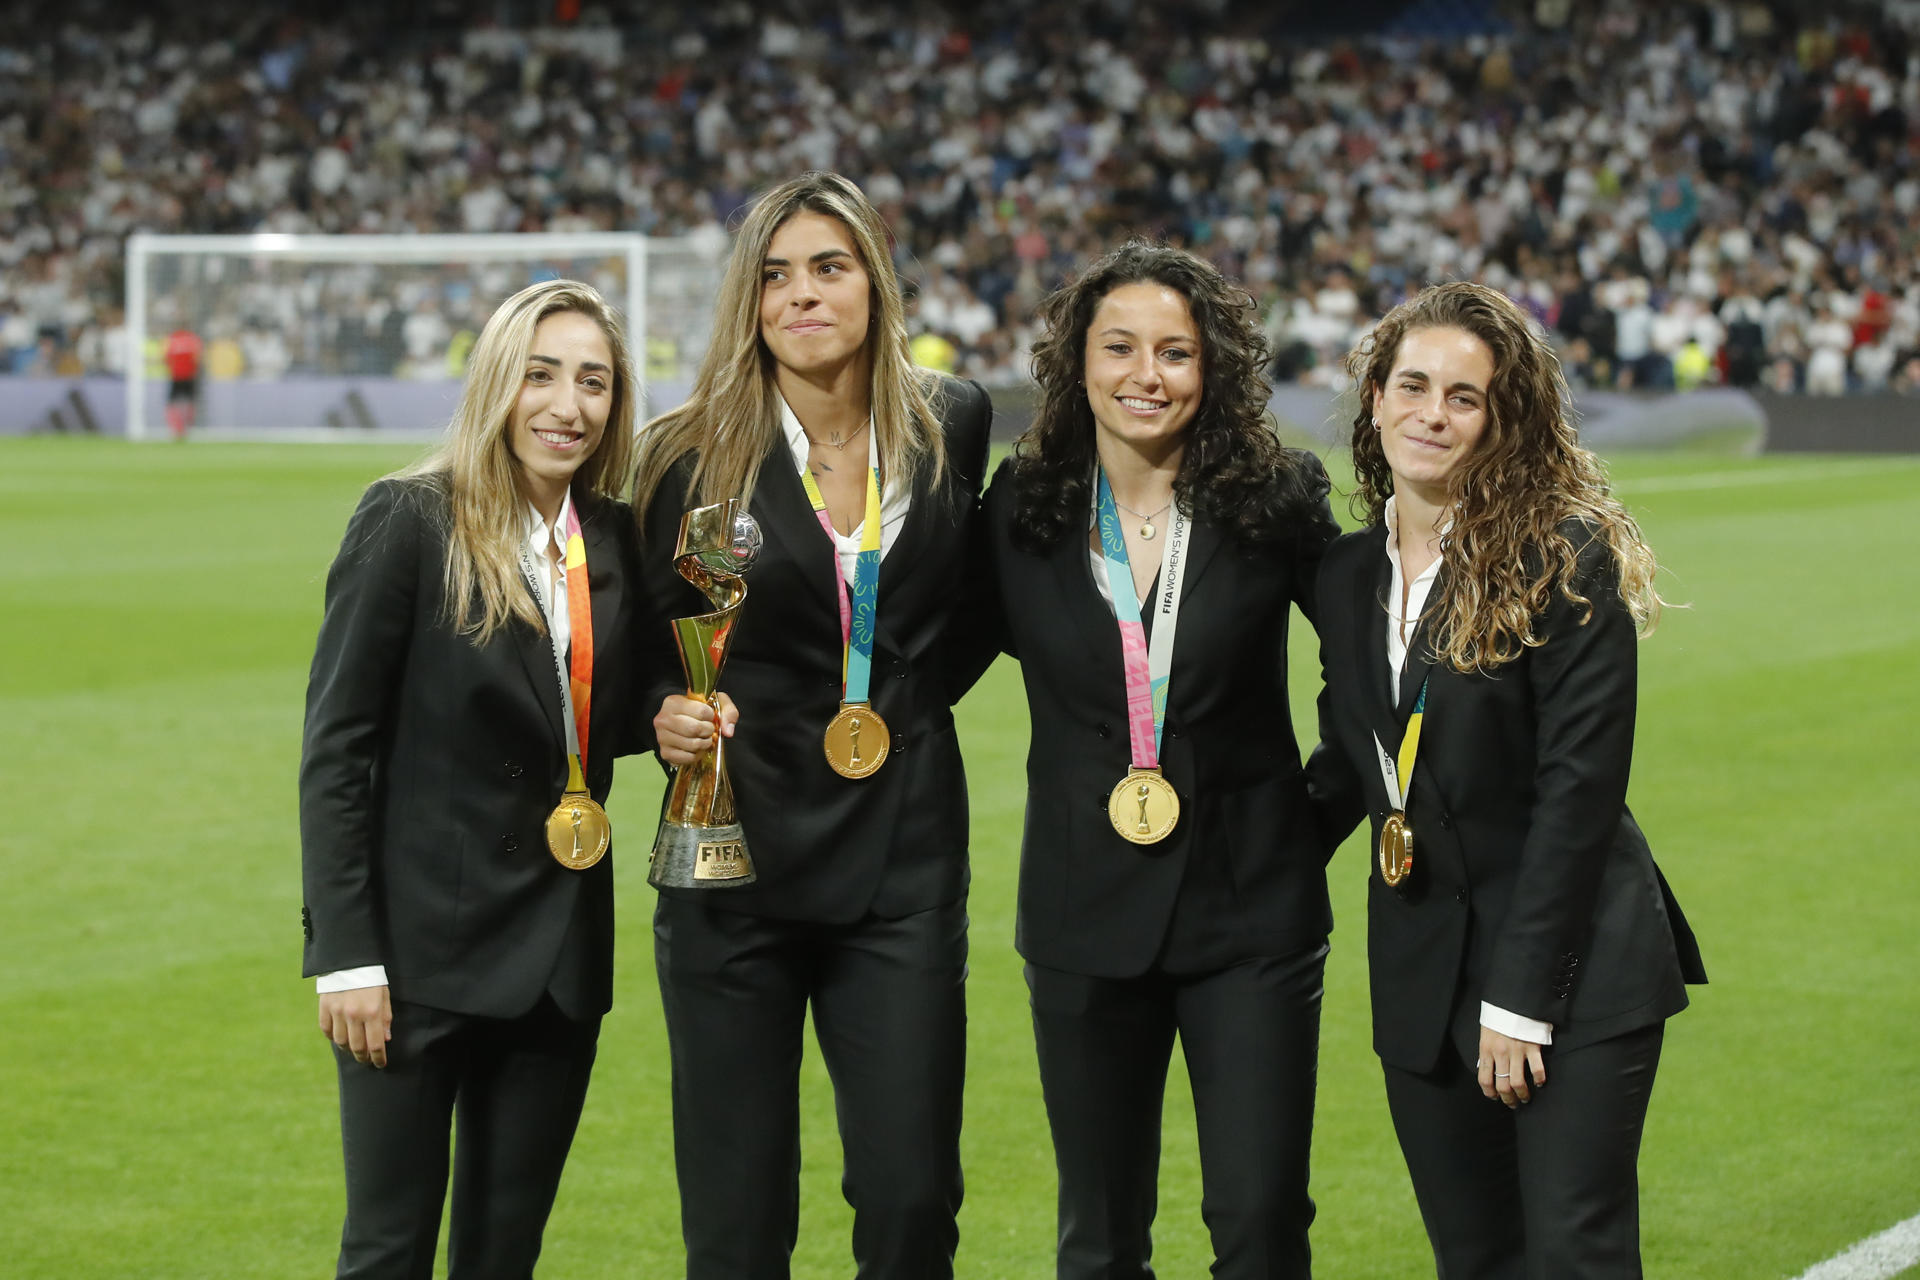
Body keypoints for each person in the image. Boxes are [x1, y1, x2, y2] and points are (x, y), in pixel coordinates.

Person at [952, 242, 1341, 1279]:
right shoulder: (1023, 508)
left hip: (1253, 912)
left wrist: (1312, 818)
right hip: (1082, 909)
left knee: (1260, 1225)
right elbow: (926, 663)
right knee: (1098, 1238)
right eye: (1119, 346)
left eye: (1176, 350)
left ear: (1213, 367)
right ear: (1077, 362)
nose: (1147, 374)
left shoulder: (1278, 496)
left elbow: (1367, 669)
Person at [629, 171, 993, 1279]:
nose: (801, 293)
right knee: (736, 1218)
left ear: (875, 284)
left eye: (828, 267)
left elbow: (963, 613)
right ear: (747, 301)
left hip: (901, 859)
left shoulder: (949, 422)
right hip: (733, 862)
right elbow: (648, 641)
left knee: (911, 1193)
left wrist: (899, 705)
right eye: (774, 274)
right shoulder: (683, 454)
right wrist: (663, 715)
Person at [1311, 281, 1707, 1279]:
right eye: (1411, 385)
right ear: (1374, 399)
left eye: (1463, 395)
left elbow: (1579, 794)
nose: (1430, 413)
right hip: (1421, 967)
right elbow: (1352, 762)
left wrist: (1521, 999)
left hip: (1570, 971)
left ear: (1502, 420)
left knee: (1574, 1255)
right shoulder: (1346, 573)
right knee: (1476, 1259)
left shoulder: (1558, 556)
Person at [298, 278, 645, 1278]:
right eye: (540, 376)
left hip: (558, 958)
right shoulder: (409, 518)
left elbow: (587, 718)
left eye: (592, 381)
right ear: (496, 380)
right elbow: (338, 746)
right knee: (388, 1248)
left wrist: (672, 715)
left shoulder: (613, 536)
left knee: (505, 1254)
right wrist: (348, 954)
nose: (565, 405)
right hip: (412, 961)